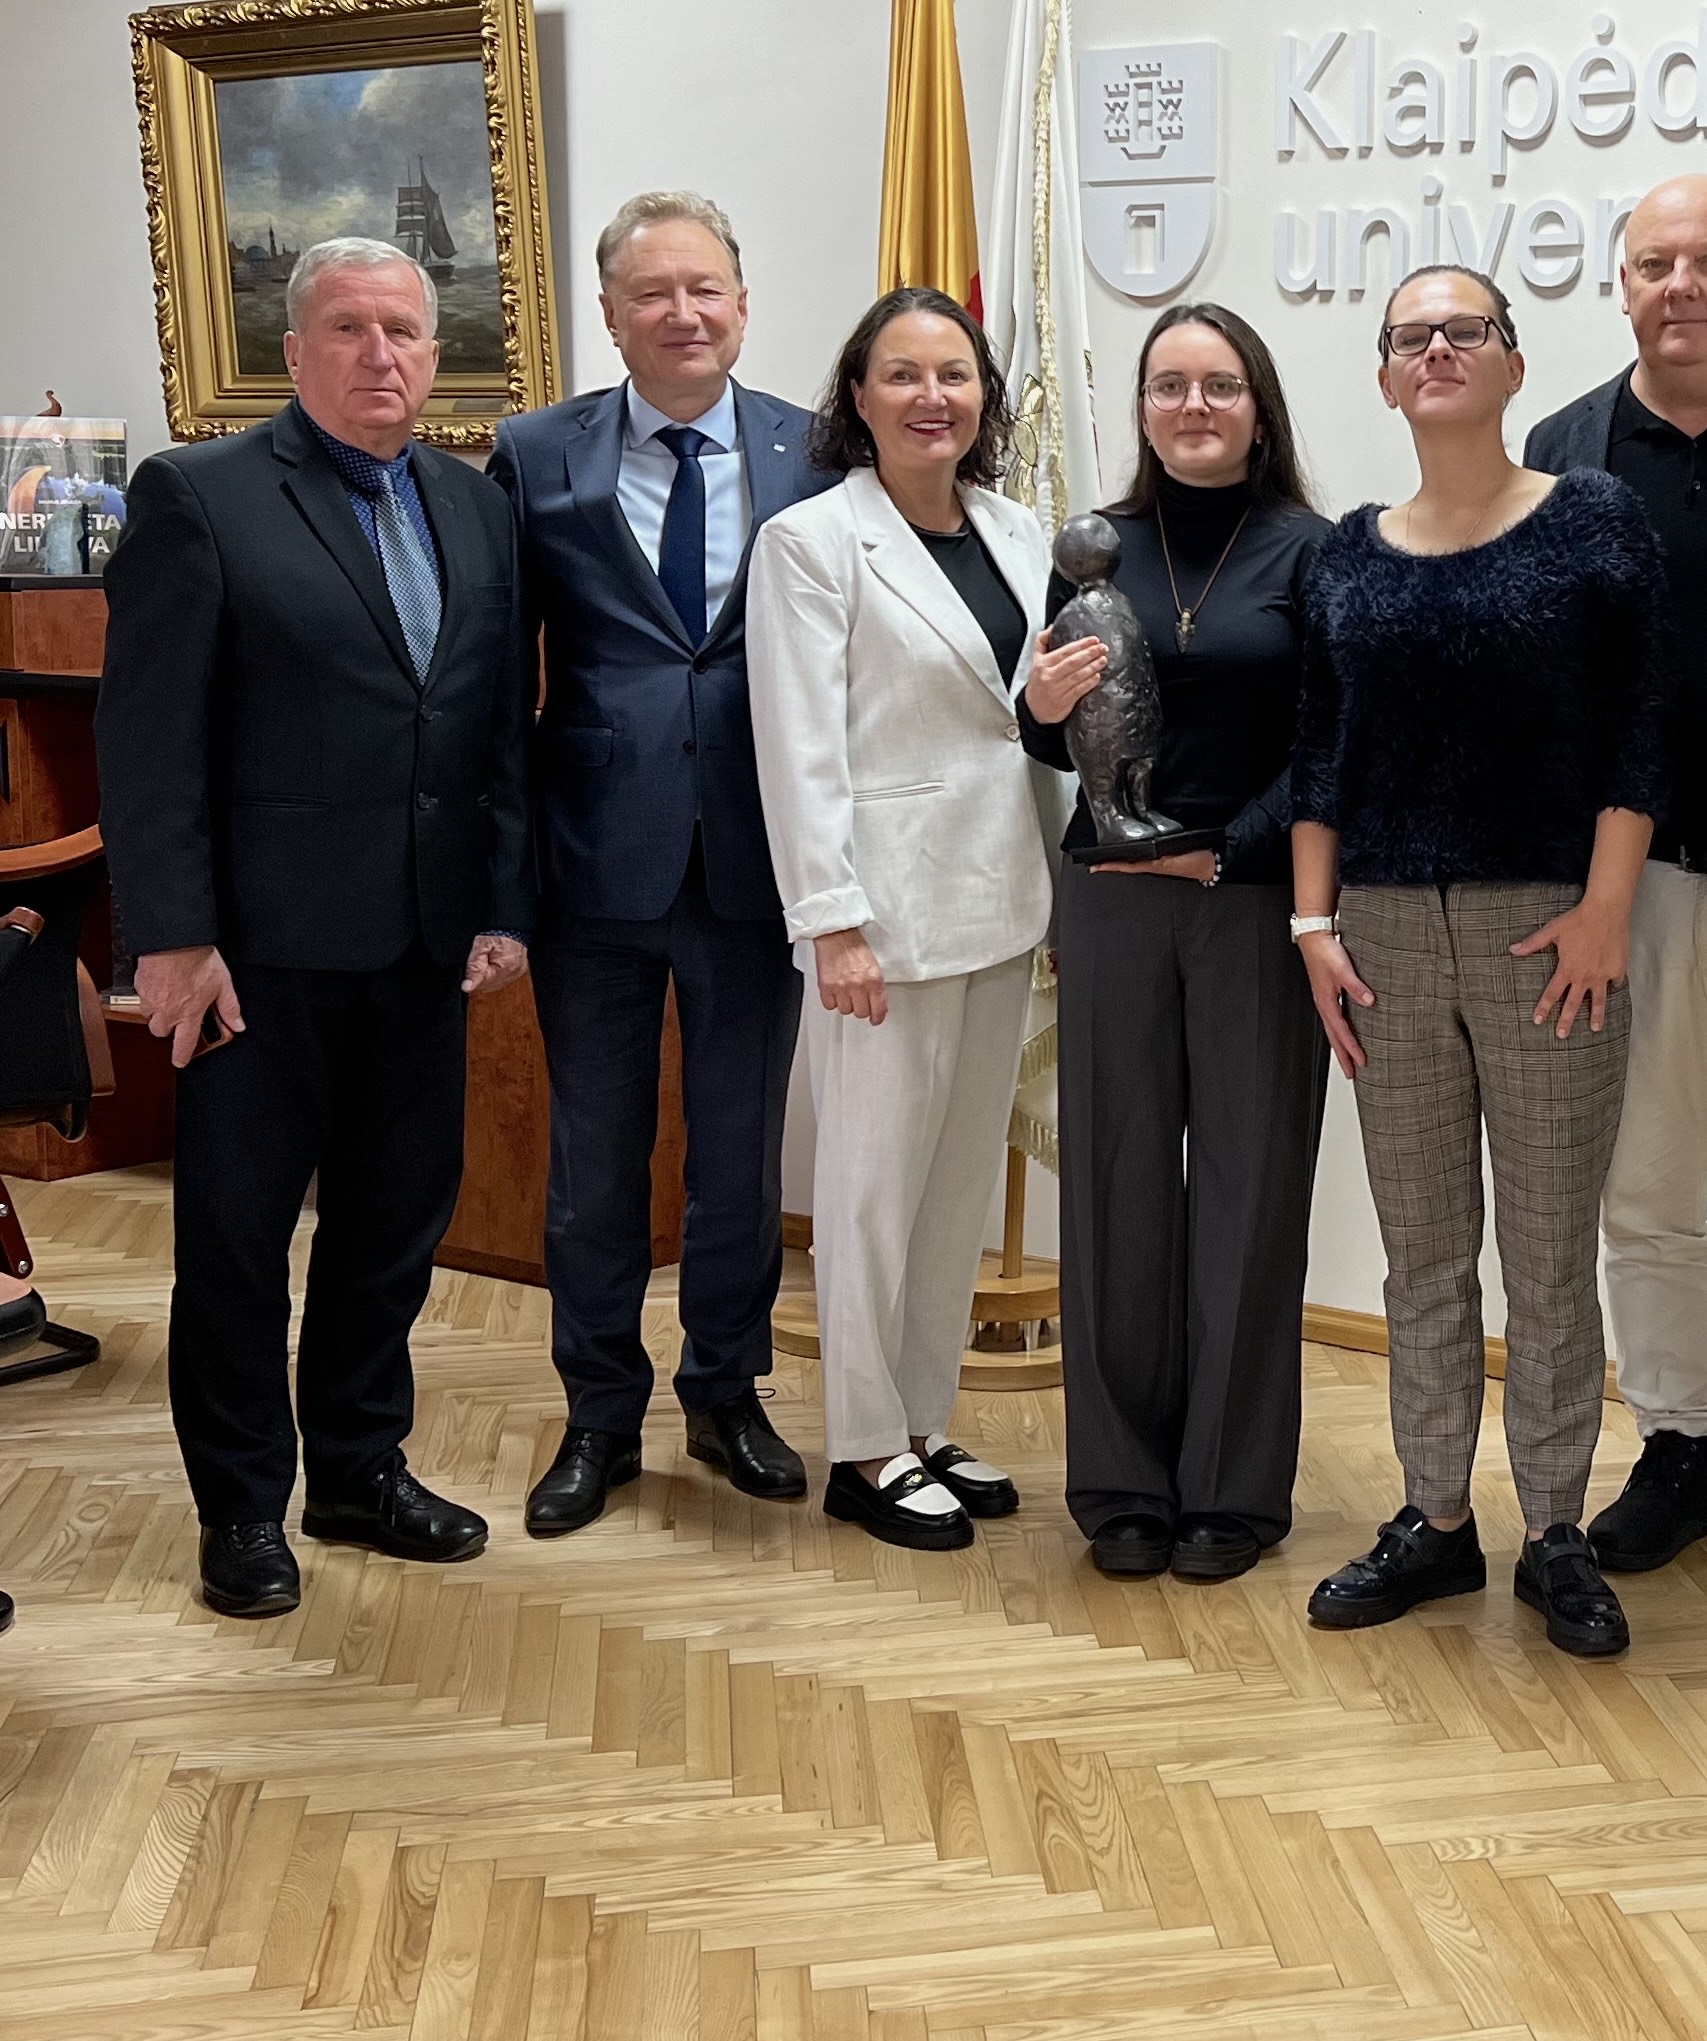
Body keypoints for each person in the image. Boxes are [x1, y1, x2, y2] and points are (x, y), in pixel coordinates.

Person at [99, 237, 534, 1620]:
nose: (380, 355)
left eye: (403, 330)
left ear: (434, 352)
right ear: (293, 353)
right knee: (236, 1244)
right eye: (348, 329)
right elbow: (147, 741)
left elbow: (492, 730)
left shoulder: (475, 507)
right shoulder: (201, 496)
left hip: (422, 943)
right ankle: (241, 1506)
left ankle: (357, 1468)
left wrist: (502, 901)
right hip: (256, 954)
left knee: (391, 1228)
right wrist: (172, 937)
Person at [1288, 262, 1664, 1660]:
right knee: (1424, 1252)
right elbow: (1317, 757)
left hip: (1546, 928)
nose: (1439, 349)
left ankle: (1555, 1529)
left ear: (1512, 363)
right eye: (1413, 337)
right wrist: (1313, 930)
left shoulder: (1591, 519)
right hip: (1382, 934)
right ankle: (1435, 1518)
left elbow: (1638, 728)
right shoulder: (1347, 553)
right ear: (1387, 379)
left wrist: (1608, 904)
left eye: (1468, 330)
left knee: (1552, 1251)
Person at [486, 191, 838, 1539]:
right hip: (593, 863)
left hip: (760, 856)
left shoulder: (819, 450)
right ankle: (599, 1414)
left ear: (743, 304)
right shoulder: (536, 454)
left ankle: (726, 1393)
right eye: (652, 294)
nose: (683, 314)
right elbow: (492, 677)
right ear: (611, 314)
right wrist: (500, 879)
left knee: (741, 1161)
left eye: (705, 290)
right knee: (595, 1163)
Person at [1519, 175, 1707, 1595]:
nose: (1682, 285)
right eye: (1656, 263)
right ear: (1623, 282)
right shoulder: (1564, 450)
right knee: (1643, 1195)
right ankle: (1680, 1453)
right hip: (1622, 897)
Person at [744, 286, 1078, 1551]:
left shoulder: (1016, 529)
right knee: (871, 1195)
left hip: (999, 899)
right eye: (903, 374)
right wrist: (831, 923)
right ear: (858, 397)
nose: (932, 397)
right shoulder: (812, 543)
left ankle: (923, 1419)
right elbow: (799, 749)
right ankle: (864, 1446)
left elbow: (1017, 725)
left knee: (950, 1192)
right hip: (879, 920)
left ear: (984, 394)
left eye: (955, 374)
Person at [1020, 302, 1333, 1583]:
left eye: (1219, 385)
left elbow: (1333, 742)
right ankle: (1123, 1486)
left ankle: (1233, 1492)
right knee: (1116, 1187)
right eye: (1168, 386)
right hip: (1110, 898)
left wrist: (1229, 852)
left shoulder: (1317, 551)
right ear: (1143, 408)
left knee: (1253, 1190)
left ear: (1259, 406)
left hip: (1254, 898)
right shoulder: (1089, 548)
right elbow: (1056, 734)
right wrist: (1034, 705)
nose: (1193, 407)